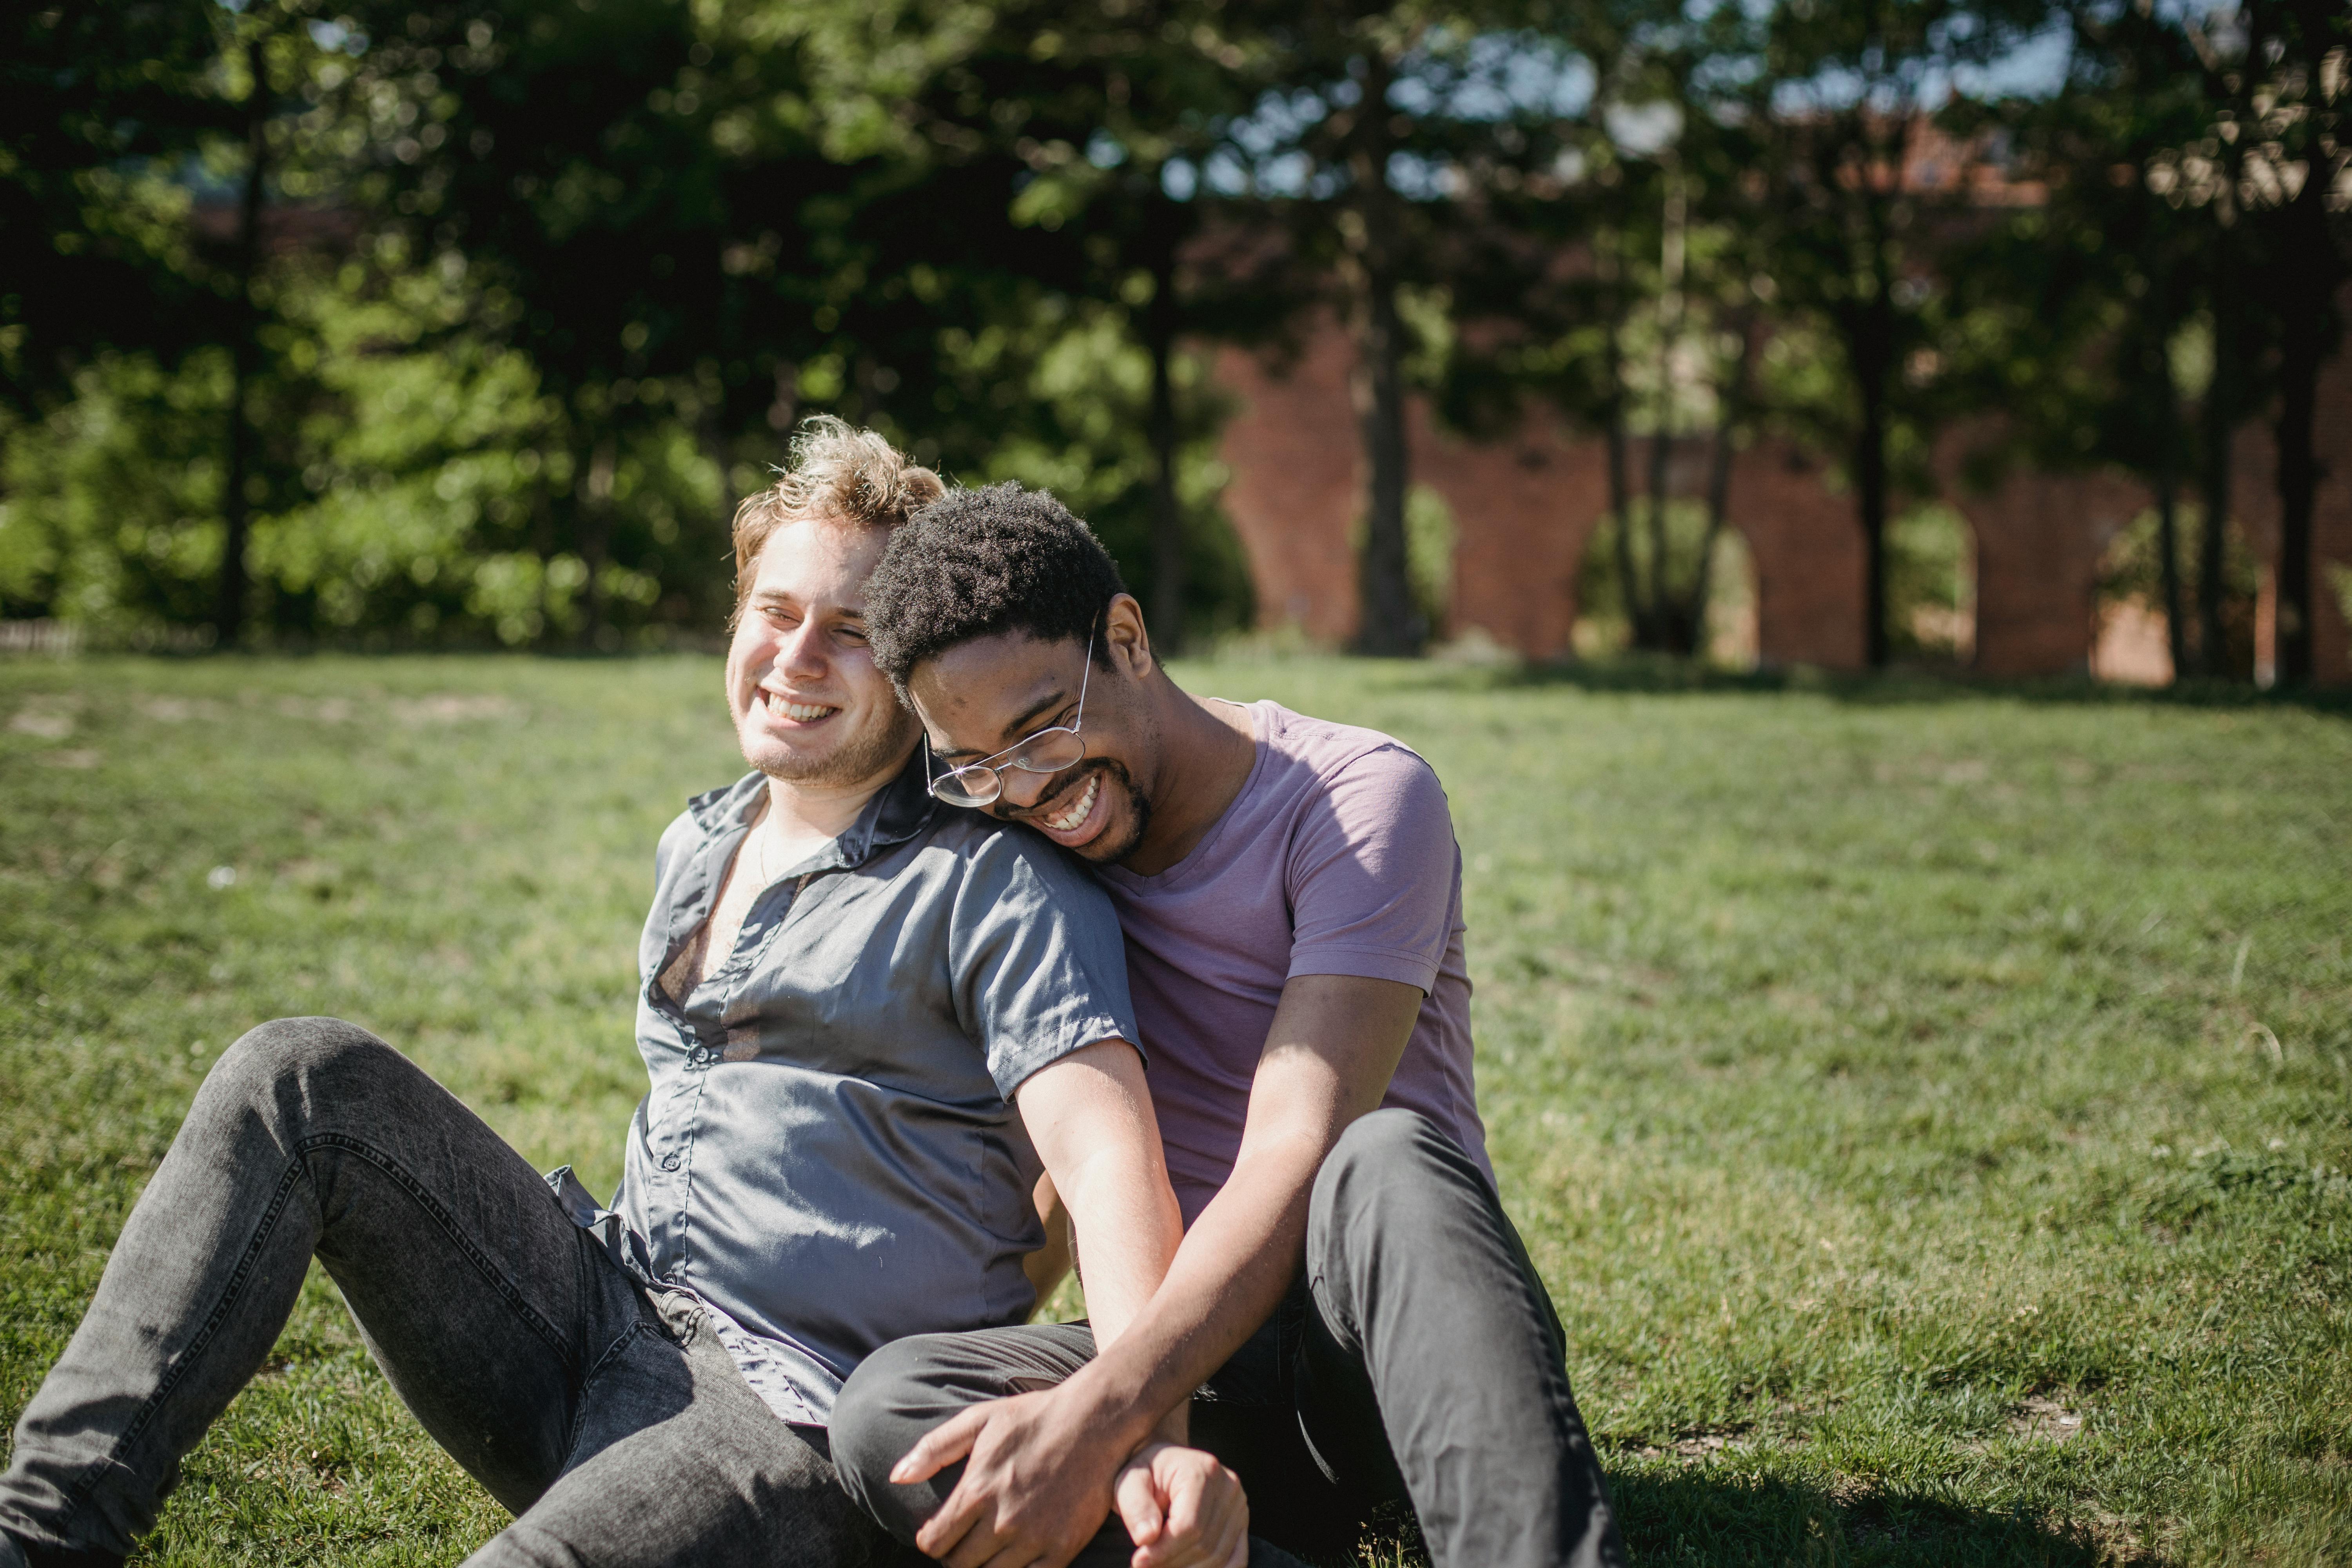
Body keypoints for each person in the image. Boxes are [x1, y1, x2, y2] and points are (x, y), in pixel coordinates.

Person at [0, 426, 1243, 1568]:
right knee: (301, 1077)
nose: (796, 659)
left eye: (852, 632)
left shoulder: (997, 883)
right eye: (774, 612)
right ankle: (42, 1531)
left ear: (918, 674)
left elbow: (1110, 1171)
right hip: (600, 1315)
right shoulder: (699, 840)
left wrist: (1147, 1432)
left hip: (791, 1416)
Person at [831, 482, 1629, 1568]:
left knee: (1381, 1157)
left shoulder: (1359, 800)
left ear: (1127, 639)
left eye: (1040, 729)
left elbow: (1296, 1149)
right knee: (895, 1410)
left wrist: (1101, 1411)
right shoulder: (1035, 868)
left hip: (1387, 1347)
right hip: (1202, 1379)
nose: (1025, 789)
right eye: (976, 766)